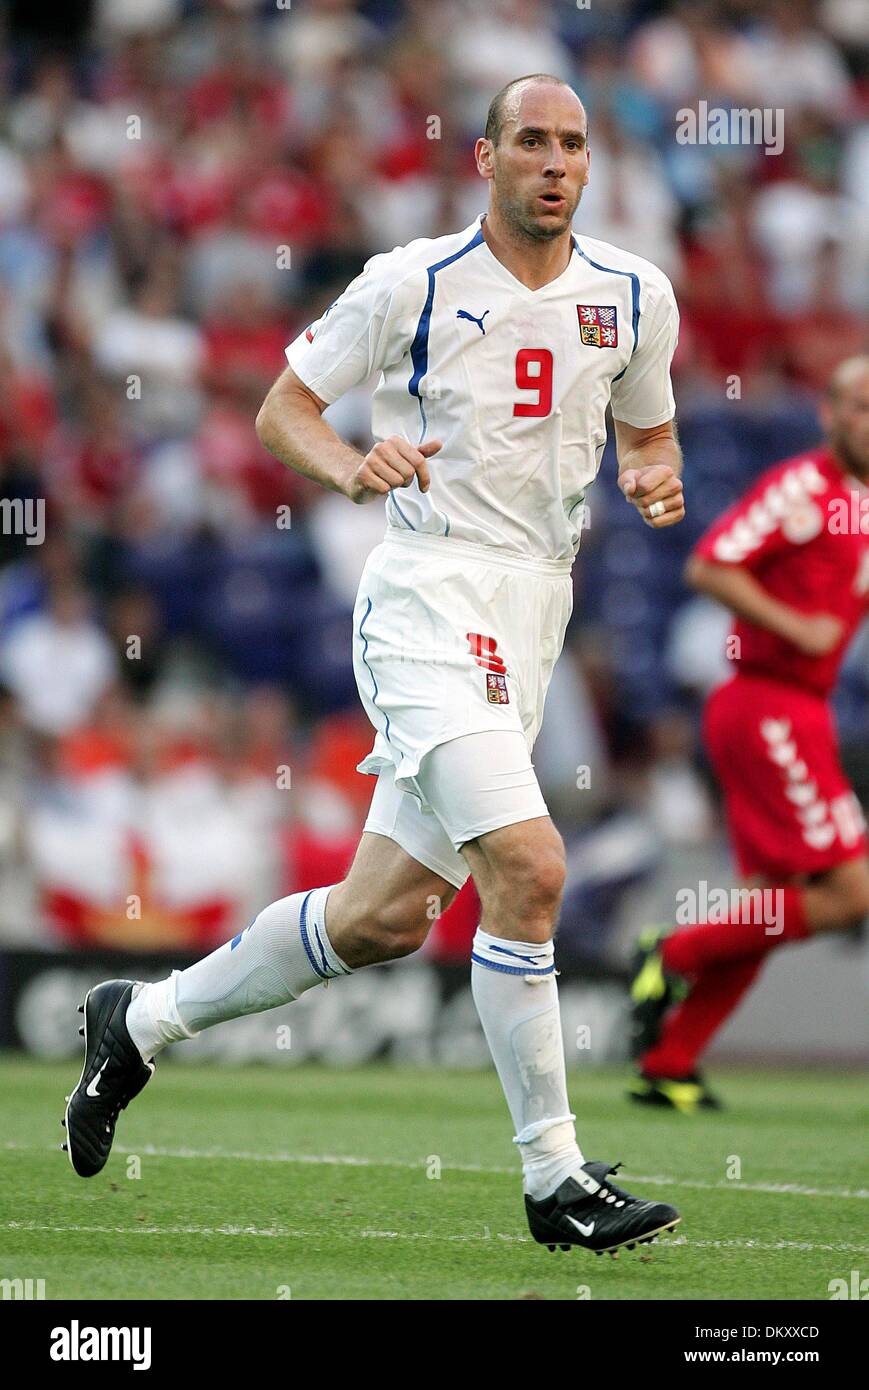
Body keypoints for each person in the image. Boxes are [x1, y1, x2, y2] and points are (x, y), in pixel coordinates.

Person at [64, 74, 685, 1257]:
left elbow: (647, 432)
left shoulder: (631, 295)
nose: (555, 163)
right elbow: (282, 408)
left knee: (382, 919)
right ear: (485, 158)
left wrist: (654, 476)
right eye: (532, 143)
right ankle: (554, 1177)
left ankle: (138, 1019)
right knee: (531, 861)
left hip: (534, 608)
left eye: (573, 146)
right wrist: (349, 468)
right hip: (425, 595)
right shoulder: (414, 278)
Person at [629, 357, 869, 1113]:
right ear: (828, 416)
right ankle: (668, 954)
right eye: (859, 406)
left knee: (765, 905)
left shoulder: (857, 504)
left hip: (797, 710)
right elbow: (710, 565)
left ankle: (670, 1061)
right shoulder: (802, 489)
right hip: (767, 705)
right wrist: (796, 624)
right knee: (852, 893)